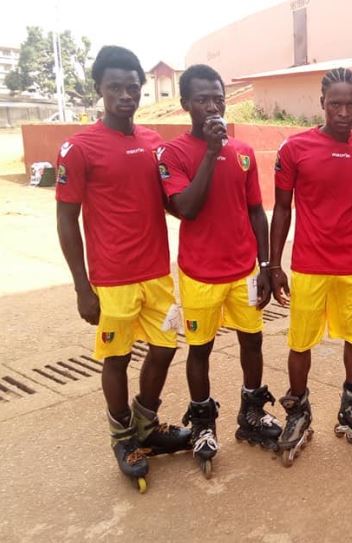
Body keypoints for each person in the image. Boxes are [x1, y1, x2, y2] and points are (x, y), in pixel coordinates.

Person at [55, 45, 190, 493]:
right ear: (100, 90)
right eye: (115, 88)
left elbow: (173, 201)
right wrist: (82, 287)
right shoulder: (78, 148)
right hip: (111, 280)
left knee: (166, 347)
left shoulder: (153, 142)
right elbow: (66, 219)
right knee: (115, 358)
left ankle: (146, 426)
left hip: (156, 273)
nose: (125, 95)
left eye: (133, 87)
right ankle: (122, 439)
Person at [158, 64, 278, 478]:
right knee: (201, 350)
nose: (213, 106)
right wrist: (210, 152)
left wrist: (265, 265)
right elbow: (185, 207)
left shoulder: (242, 152)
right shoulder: (172, 154)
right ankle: (204, 423)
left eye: (218, 98)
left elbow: (255, 213)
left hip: (243, 270)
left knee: (253, 342)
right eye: (203, 99)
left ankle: (251, 413)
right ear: (185, 103)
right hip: (199, 275)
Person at [269, 67, 352, 465]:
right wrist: (273, 264)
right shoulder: (294, 148)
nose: (343, 110)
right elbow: (281, 210)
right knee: (300, 342)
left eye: (351, 103)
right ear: (322, 104)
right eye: (335, 103)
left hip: (351, 266)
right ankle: (298, 411)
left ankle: (351, 405)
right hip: (308, 266)